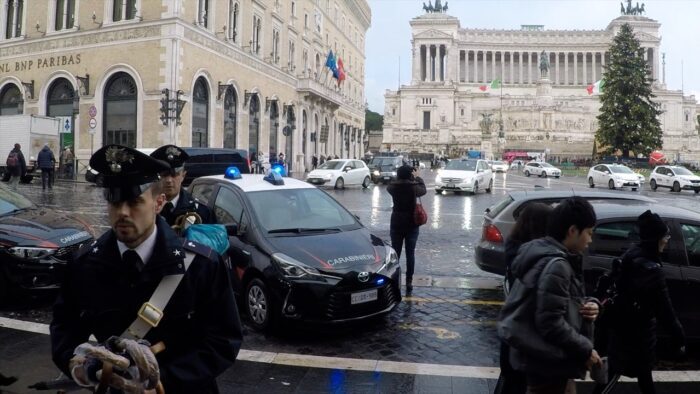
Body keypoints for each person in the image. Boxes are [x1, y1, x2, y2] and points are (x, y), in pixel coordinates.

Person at [50, 145, 242, 394]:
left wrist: (165, 382)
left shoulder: (200, 265)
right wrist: (85, 367)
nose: (123, 213)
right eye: (115, 201)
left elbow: (223, 340)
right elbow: (64, 328)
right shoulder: (85, 264)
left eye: (134, 202)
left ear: (159, 202)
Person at [505, 197, 601, 394]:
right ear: (572, 231)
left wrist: (589, 304)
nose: (590, 241)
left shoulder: (544, 253)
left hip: (547, 364)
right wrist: (585, 349)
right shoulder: (558, 264)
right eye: (589, 233)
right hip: (549, 365)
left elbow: (558, 301)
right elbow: (550, 321)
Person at [592, 210, 685, 394]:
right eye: (665, 235)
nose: (667, 240)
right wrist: (679, 337)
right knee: (614, 376)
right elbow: (665, 310)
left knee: (642, 377)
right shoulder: (652, 270)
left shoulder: (633, 254)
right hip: (634, 337)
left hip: (626, 331)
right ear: (656, 238)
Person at [495, 202, 554, 394]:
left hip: (512, 328)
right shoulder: (538, 259)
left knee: (510, 382)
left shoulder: (516, 250)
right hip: (527, 337)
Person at [387, 165, 426, 294]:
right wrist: (417, 176)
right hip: (412, 223)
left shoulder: (392, 187)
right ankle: (409, 281)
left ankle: (395, 279)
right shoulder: (414, 187)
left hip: (397, 222)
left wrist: (400, 176)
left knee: (396, 253)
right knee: (410, 253)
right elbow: (423, 190)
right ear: (410, 175)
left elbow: (390, 184)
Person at [150, 145, 212, 227]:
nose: (169, 180)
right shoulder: (146, 209)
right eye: (164, 175)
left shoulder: (200, 211)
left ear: (183, 175)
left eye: (174, 175)